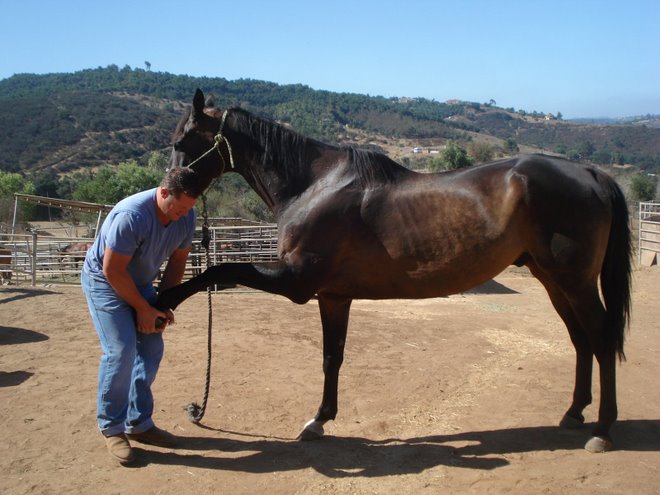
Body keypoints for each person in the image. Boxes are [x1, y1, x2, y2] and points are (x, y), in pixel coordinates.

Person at [82, 167, 203, 465]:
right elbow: (112, 270)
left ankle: (139, 423)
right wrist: (142, 308)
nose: (185, 214)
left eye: (190, 208)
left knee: (150, 350)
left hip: (140, 283)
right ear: (163, 193)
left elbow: (177, 263)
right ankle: (112, 427)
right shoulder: (132, 215)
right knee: (121, 351)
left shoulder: (185, 216)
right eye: (181, 206)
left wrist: (163, 305)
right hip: (105, 282)